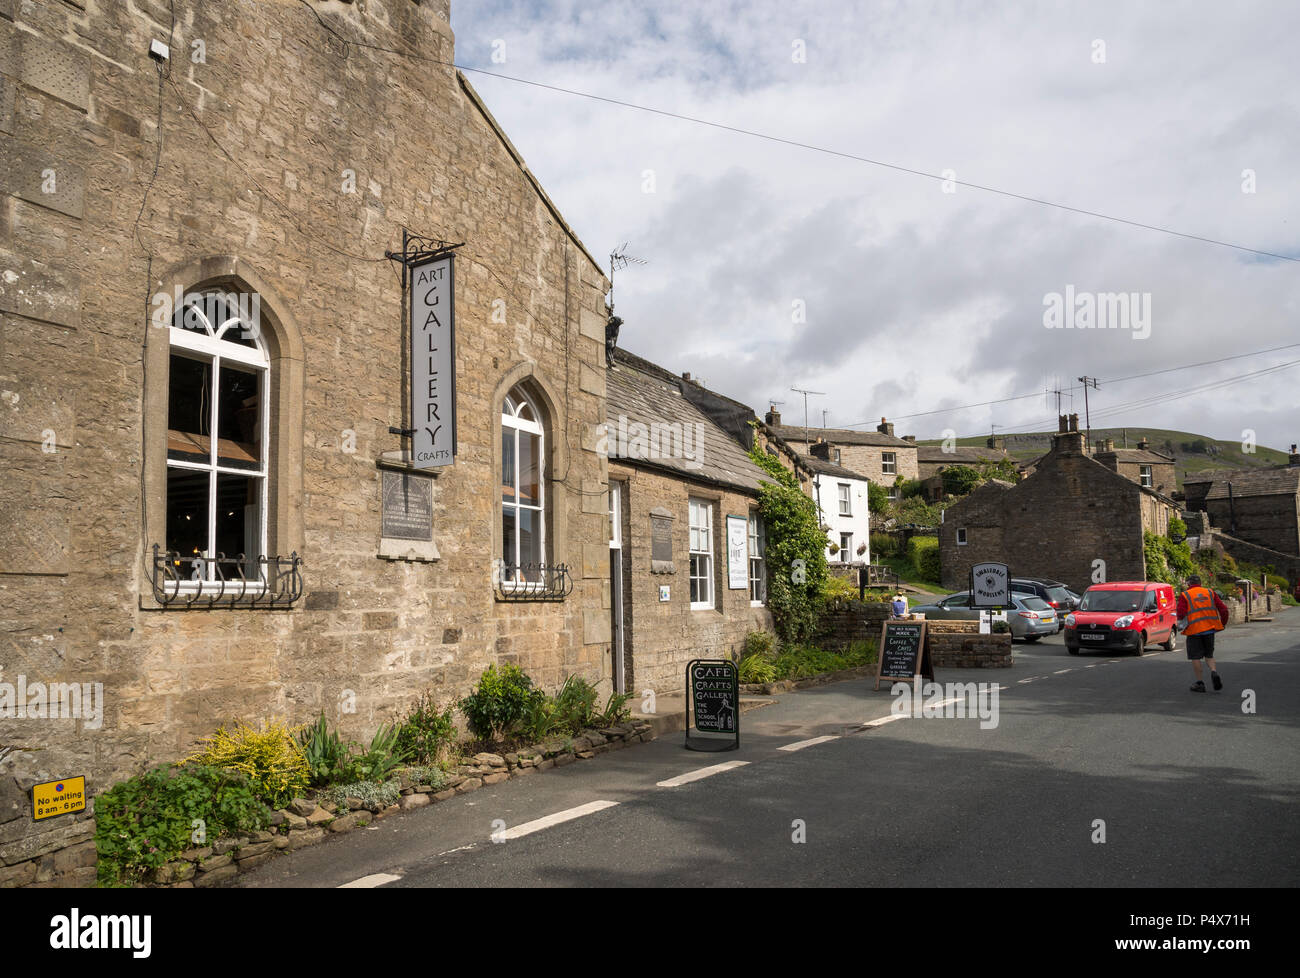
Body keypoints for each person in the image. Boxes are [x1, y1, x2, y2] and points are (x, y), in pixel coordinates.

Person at [1177, 574, 1228, 692]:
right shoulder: (1210, 592)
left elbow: (1181, 613)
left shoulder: (1185, 595)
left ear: (1189, 583)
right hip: (1210, 629)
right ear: (1200, 583)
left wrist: (1181, 622)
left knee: (1195, 657)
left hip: (1194, 631)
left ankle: (1200, 683)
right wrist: (1223, 623)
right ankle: (1214, 672)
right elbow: (1223, 609)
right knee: (1209, 655)